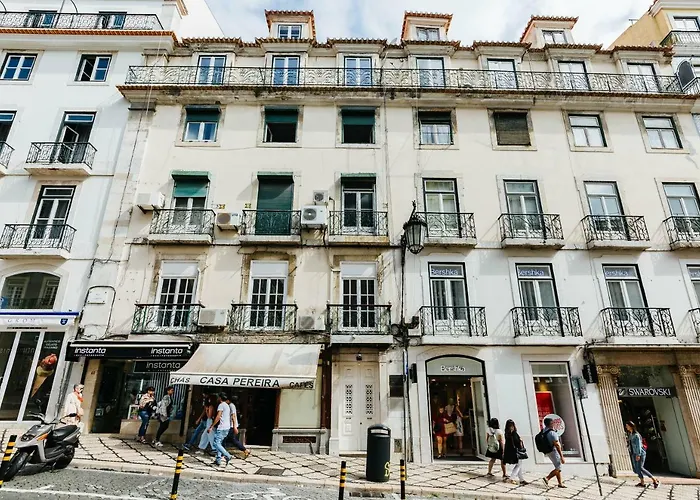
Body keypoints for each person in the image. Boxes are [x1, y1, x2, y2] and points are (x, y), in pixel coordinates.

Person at [626, 421, 659, 489]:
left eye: (627, 426)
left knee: (640, 467)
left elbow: (639, 445)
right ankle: (642, 482)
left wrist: (638, 454)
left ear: (631, 426)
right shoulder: (631, 434)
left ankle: (654, 480)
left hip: (640, 453)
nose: (626, 427)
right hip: (633, 453)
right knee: (636, 469)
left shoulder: (636, 435)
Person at [208, 393, 232, 467]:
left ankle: (227, 455)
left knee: (216, 444)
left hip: (222, 427)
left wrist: (211, 426)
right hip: (227, 427)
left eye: (218, 397)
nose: (217, 399)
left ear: (220, 398)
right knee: (219, 443)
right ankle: (218, 460)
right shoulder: (227, 405)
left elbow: (218, 417)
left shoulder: (221, 405)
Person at [542, 417, 566, 489]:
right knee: (558, 468)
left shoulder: (544, 431)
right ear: (551, 424)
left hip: (548, 451)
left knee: (557, 467)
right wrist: (561, 456)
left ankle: (560, 483)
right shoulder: (552, 433)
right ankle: (547, 478)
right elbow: (557, 445)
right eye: (553, 422)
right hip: (554, 451)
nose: (554, 424)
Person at [503, 419, 527, 485]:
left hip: (511, 451)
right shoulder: (513, 433)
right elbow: (517, 442)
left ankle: (521, 479)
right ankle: (512, 478)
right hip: (516, 451)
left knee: (519, 465)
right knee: (518, 465)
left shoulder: (507, 433)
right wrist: (520, 441)